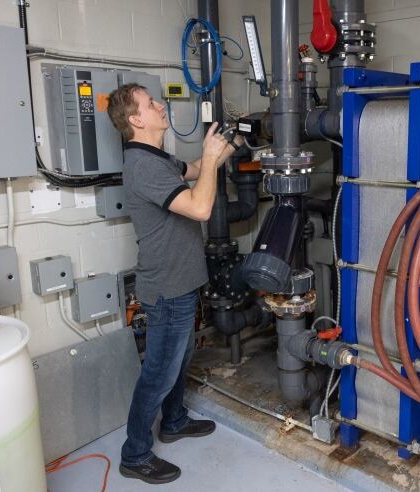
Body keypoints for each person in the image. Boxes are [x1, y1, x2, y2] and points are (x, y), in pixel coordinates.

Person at [106, 83, 242, 484]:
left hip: (182, 283)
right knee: (159, 372)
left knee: (180, 360)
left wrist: (230, 144)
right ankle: (134, 454)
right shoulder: (144, 167)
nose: (161, 106)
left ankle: (175, 421)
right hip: (165, 289)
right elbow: (200, 208)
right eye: (151, 104)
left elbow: (198, 170)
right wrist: (213, 156)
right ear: (136, 119)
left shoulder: (156, 157)